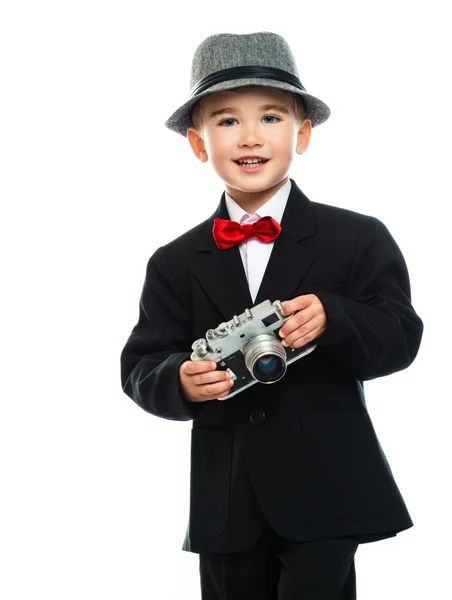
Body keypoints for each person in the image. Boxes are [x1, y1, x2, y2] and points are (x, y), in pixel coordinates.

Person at [120, 31, 423, 600]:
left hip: (329, 490)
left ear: (303, 133)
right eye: (227, 121)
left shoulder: (358, 237)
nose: (251, 136)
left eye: (272, 117)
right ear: (197, 142)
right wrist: (179, 381)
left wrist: (335, 317)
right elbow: (140, 364)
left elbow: (402, 335)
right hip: (226, 503)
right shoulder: (174, 261)